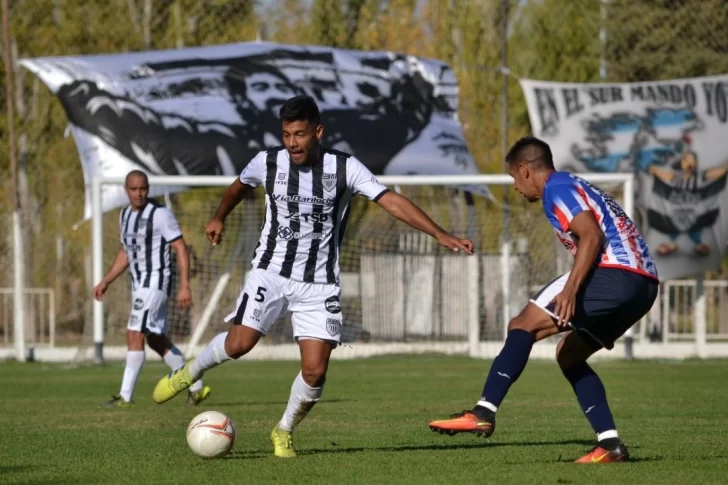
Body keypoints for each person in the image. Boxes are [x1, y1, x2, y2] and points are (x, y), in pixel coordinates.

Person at [151, 94, 474, 457]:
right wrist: (218, 216)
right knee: (240, 345)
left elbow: (390, 200)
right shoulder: (268, 162)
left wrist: (439, 233)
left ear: (317, 132)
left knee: (316, 371)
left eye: (300, 134)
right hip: (271, 271)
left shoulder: (345, 167)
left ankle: (283, 430)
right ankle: (192, 370)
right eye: (287, 134)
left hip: (319, 282)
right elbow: (238, 186)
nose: (292, 143)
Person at [429, 136, 659, 464]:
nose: (515, 187)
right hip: (645, 287)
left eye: (512, 178)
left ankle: (483, 411)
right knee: (570, 355)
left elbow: (591, 235)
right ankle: (610, 445)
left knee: (522, 324)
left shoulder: (557, 188)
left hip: (617, 272)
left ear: (524, 170)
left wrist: (572, 289)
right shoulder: (573, 184)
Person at [93, 170, 211, 407]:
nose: (139, 194)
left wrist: (185, 285)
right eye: (134, 189)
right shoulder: (125, 215)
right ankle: (196, 386)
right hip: (139, 284)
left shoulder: (160, 214)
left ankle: (125, 396)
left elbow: (180, 248)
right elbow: (126, 251)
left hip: (156, 282)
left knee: (134, 332)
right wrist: (106, 280)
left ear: (148, 189)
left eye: (143, 189)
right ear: (126, 190)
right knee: (155, 339)